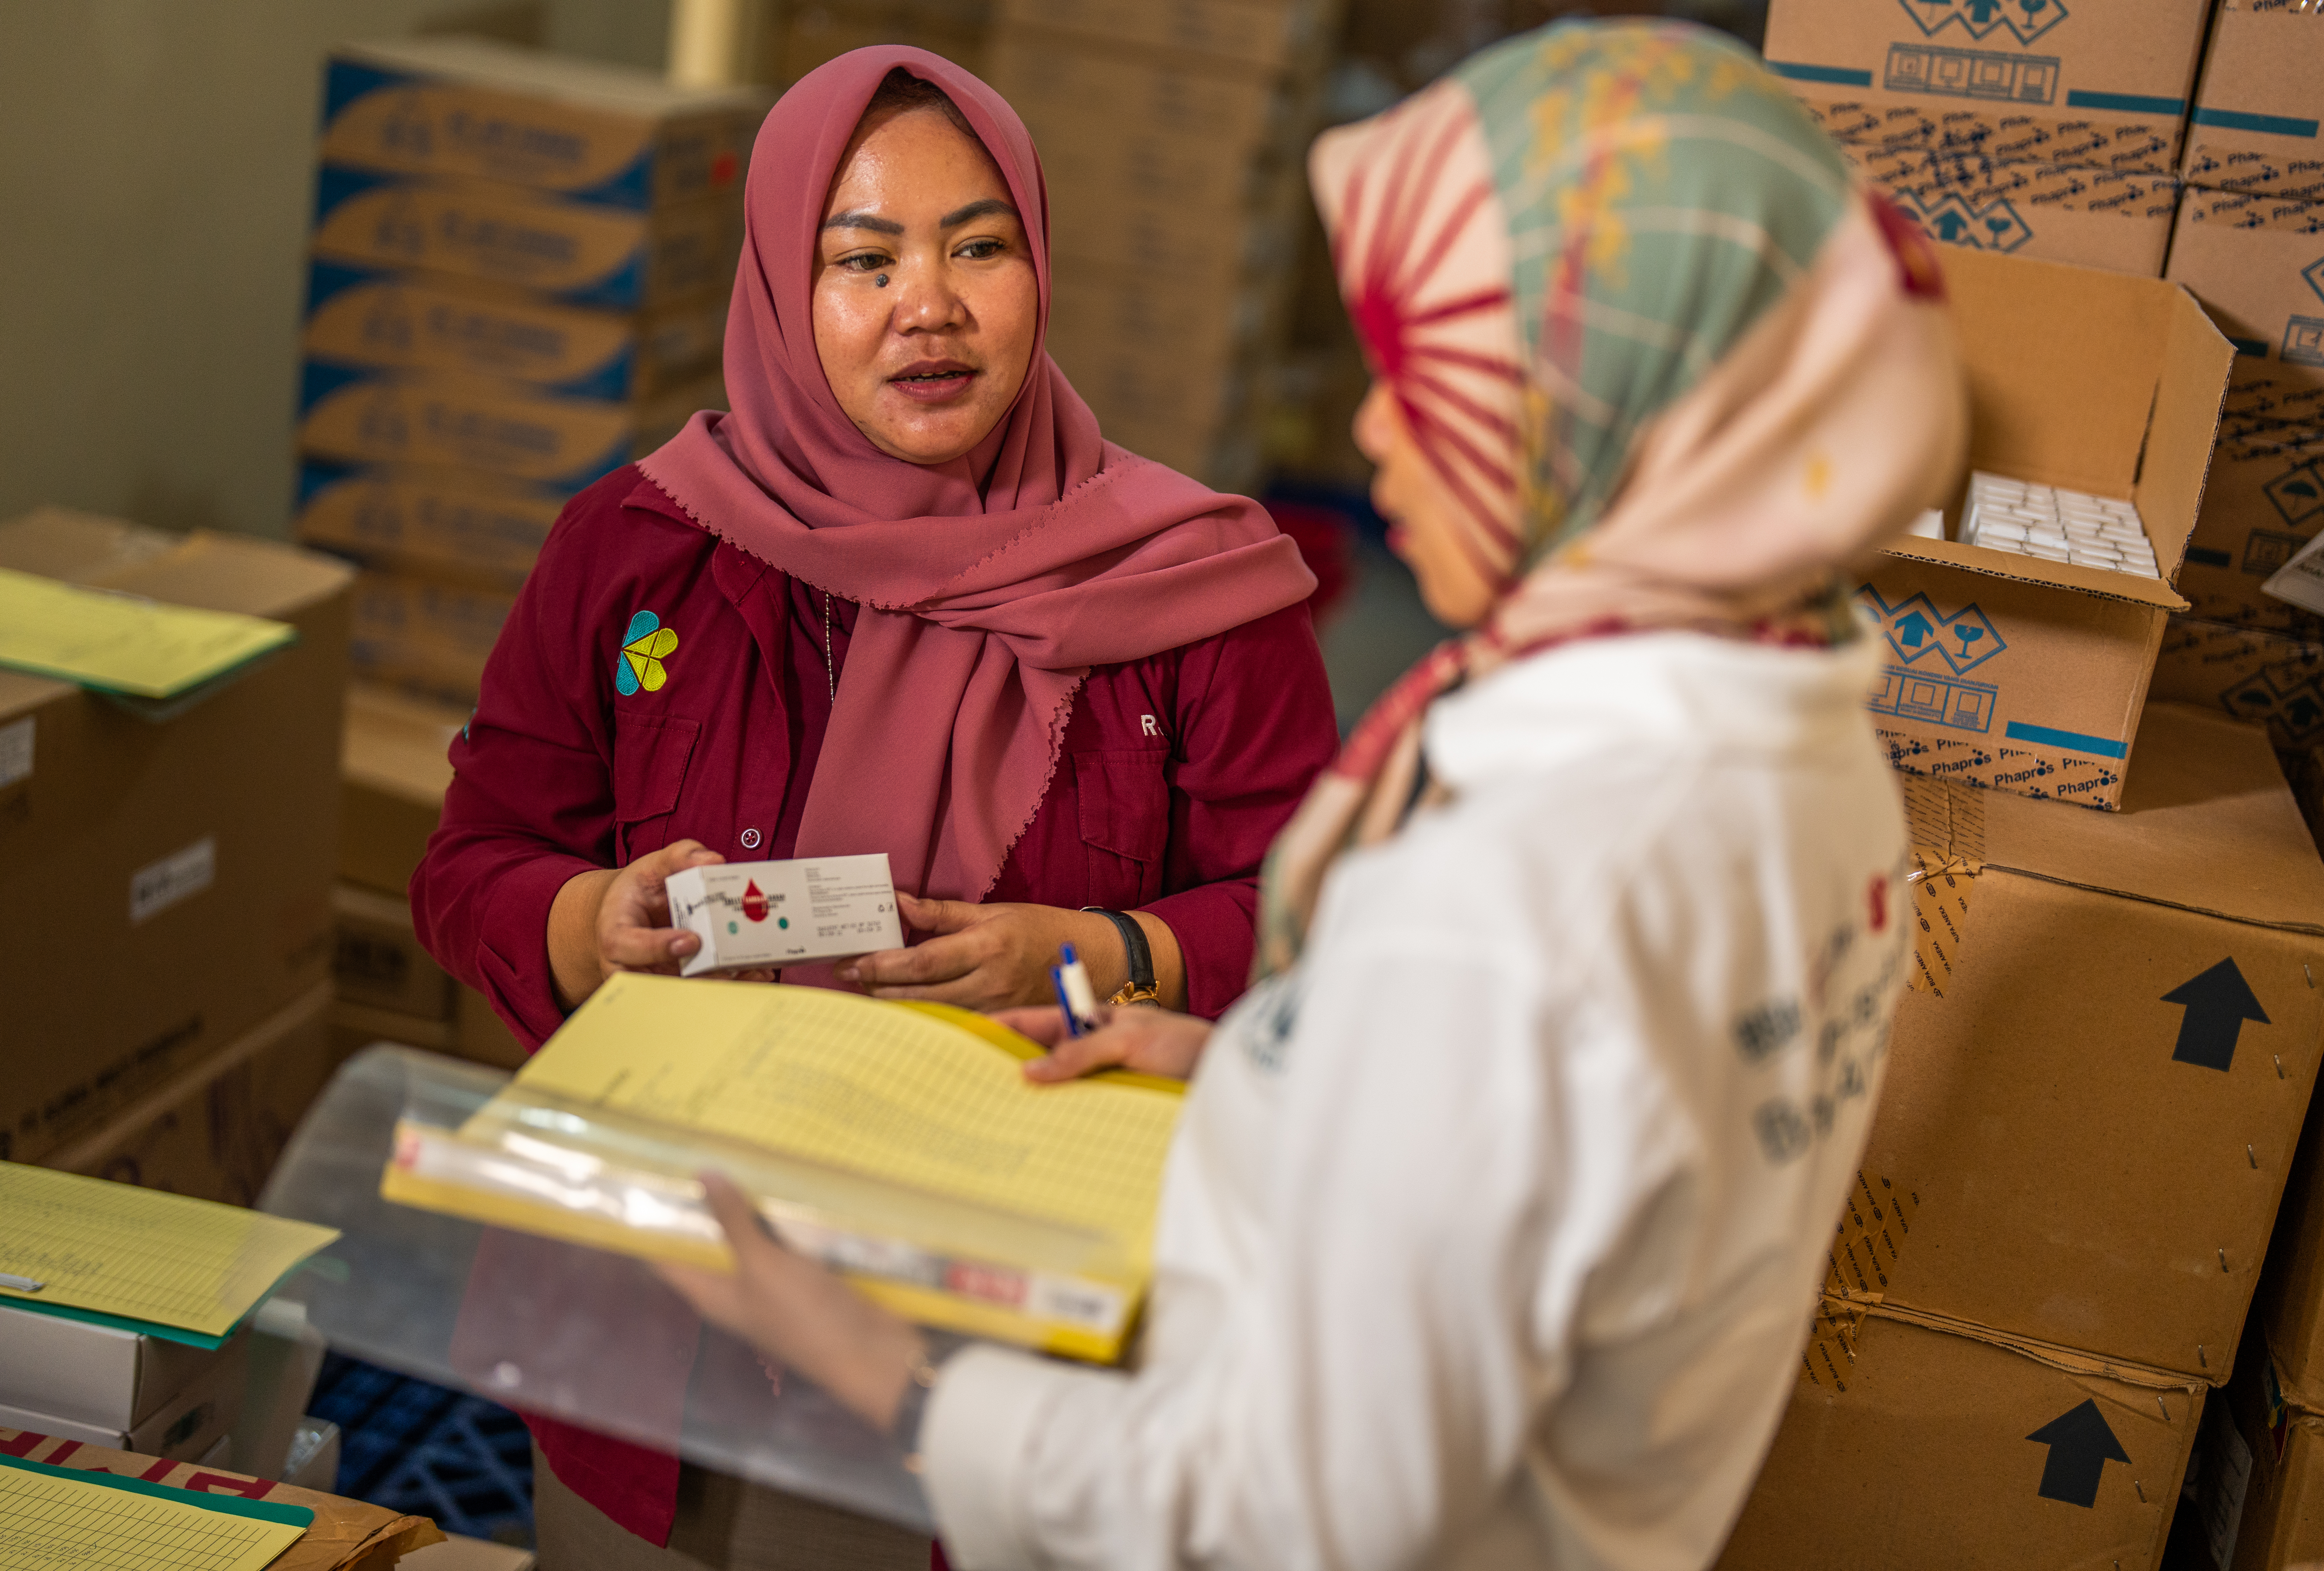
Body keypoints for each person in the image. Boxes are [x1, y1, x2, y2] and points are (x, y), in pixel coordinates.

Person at [660, 19, 1967, 1571]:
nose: (1369, 431)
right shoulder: (1805, 735)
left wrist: (890, 1372)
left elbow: (1287, 1518)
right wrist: (1284, 1073)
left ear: (1611, 411)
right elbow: (1569, 1159)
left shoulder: (1506, 885)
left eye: (1437, 381)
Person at [410, 47, 1337, 1563]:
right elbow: (472, 862)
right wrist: (591, 917)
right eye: (864, 258)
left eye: (982, 246)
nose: (932, 305)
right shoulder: (641, 552)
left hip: (995, 1341)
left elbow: (1317, 931)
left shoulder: (1190, 594)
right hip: (655, 1311)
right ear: (782, 282)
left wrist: (1111, 950)